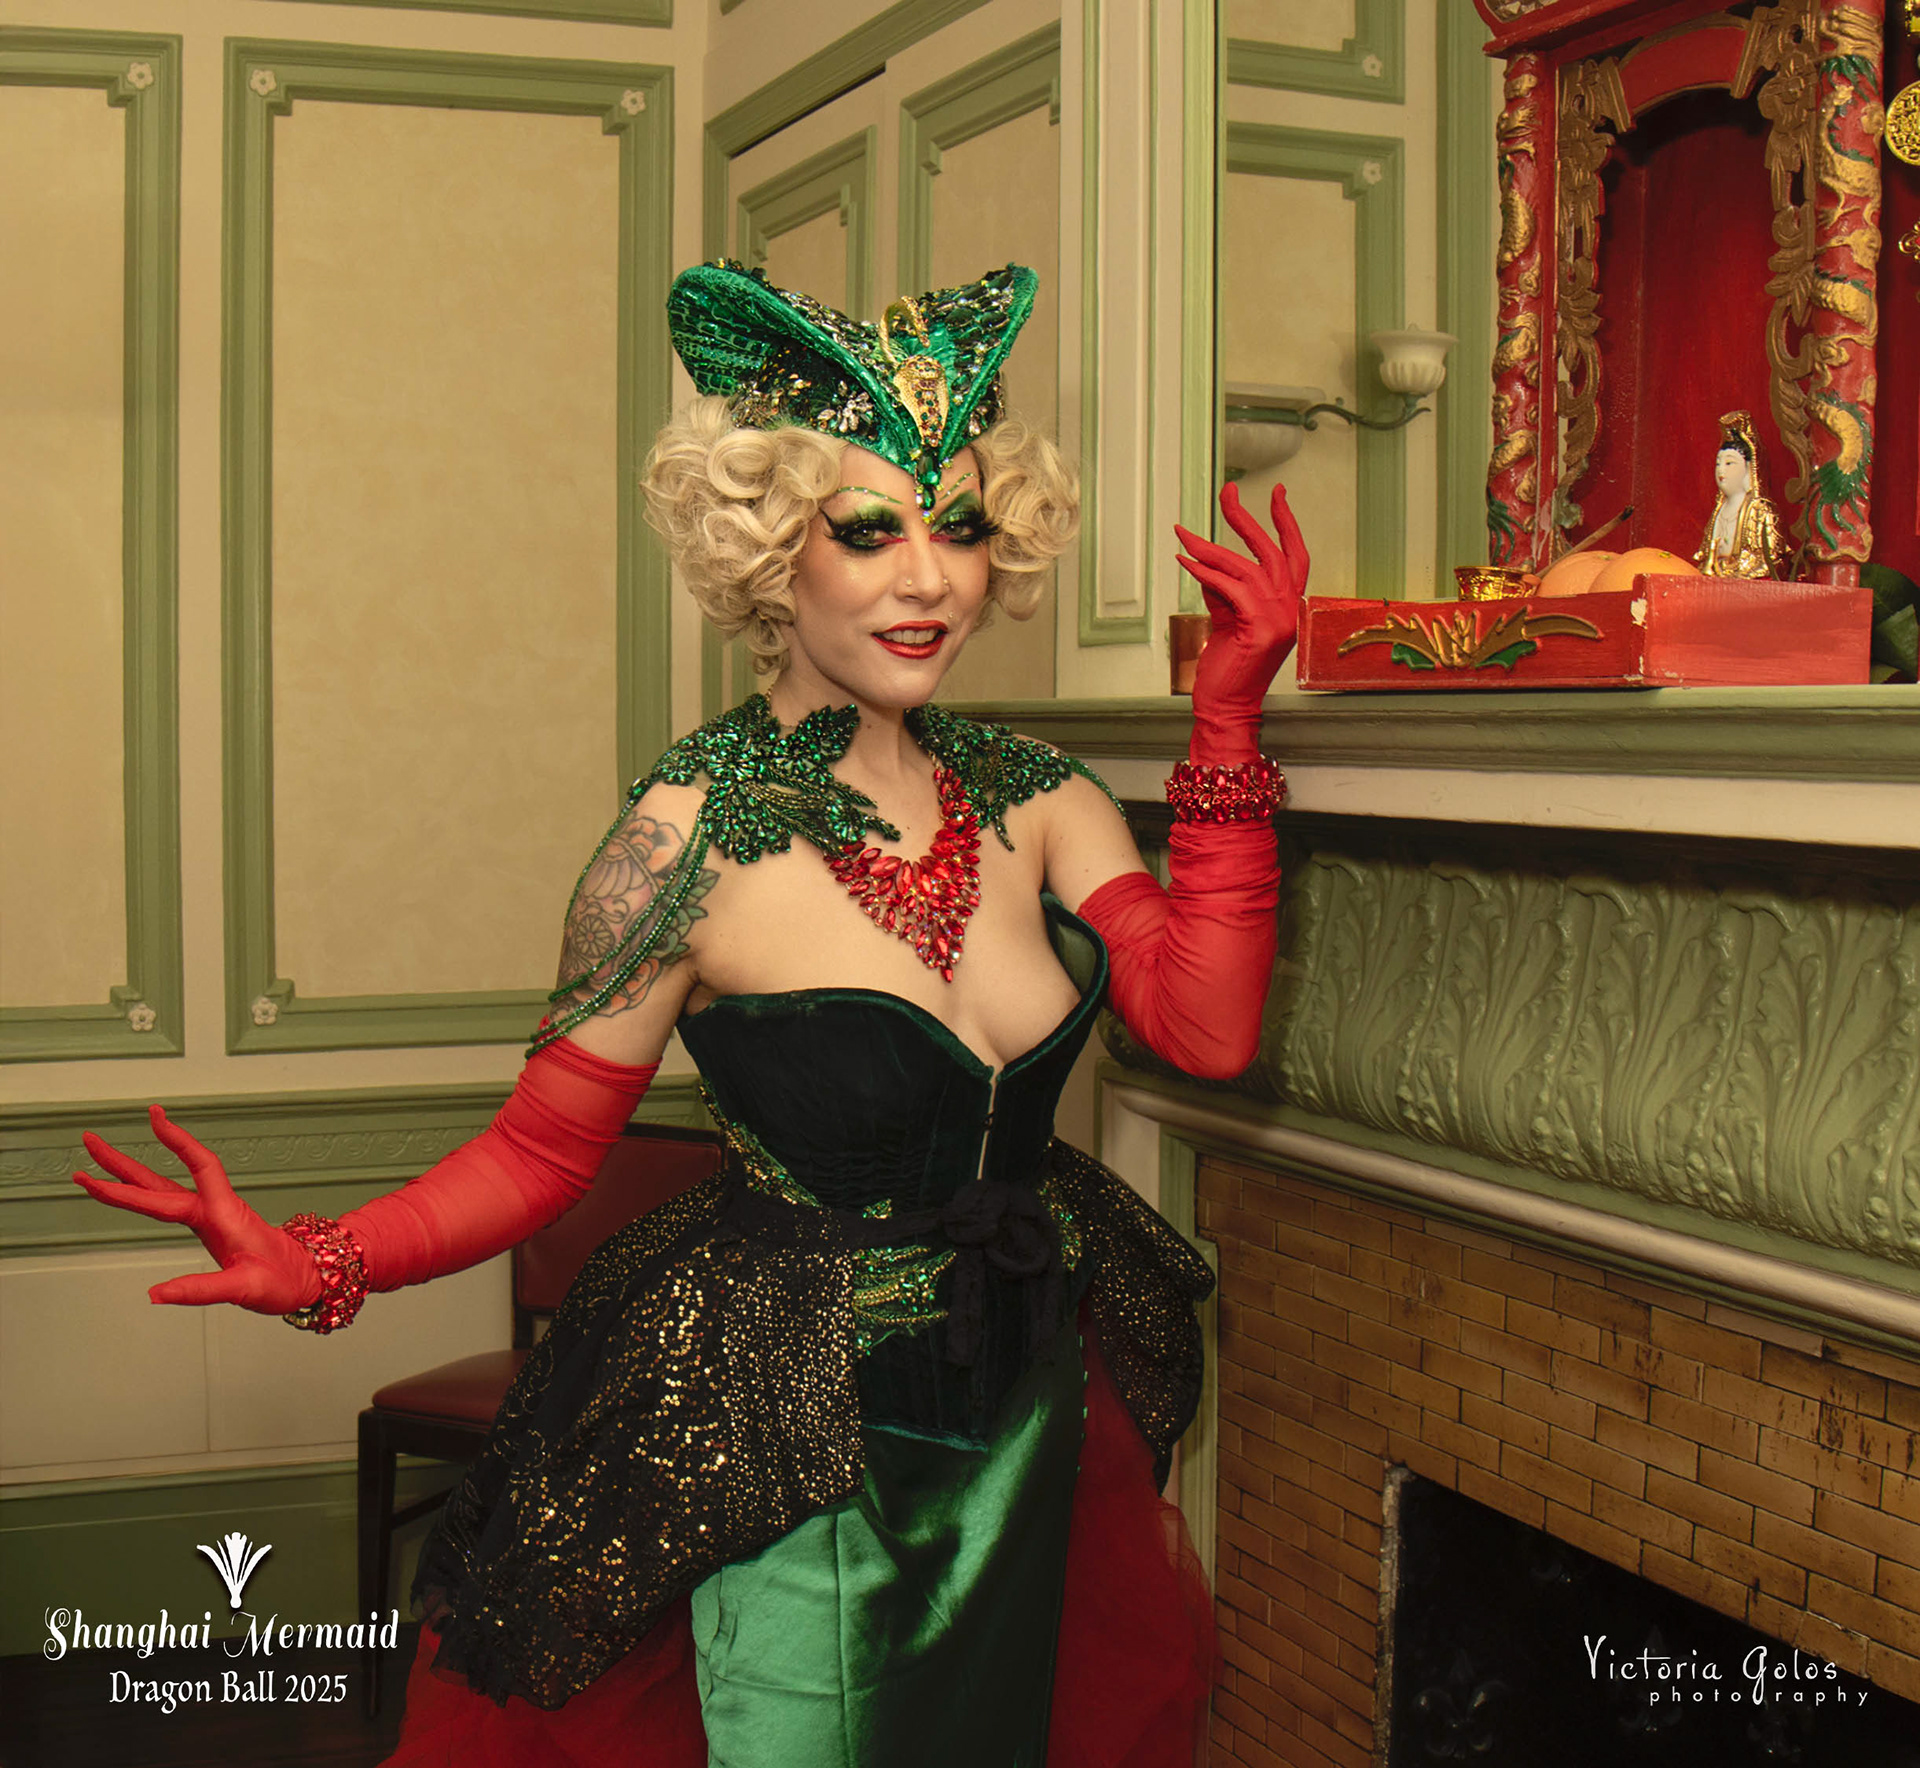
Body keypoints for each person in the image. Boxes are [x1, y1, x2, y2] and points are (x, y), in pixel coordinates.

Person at [73, 260, 1306, 1767]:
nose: (930, 579)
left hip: (1028, 1397)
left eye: (961, 526)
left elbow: (1205, 1029)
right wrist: (325, 1258)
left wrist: (1227, 714)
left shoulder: (1040, 797)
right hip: (789, 1424)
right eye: (870, 531)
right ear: (774, 554)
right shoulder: (684, 838)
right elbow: (541, 1152)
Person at [1693, 408, 1787, 579]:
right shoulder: (1719, 509)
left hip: (1744, 574)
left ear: (1749, 468)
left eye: (1729, 463)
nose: (1721, 470)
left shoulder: (1760, 511)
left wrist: (1738, 571)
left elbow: (1771, 559)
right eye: (1718, 464)